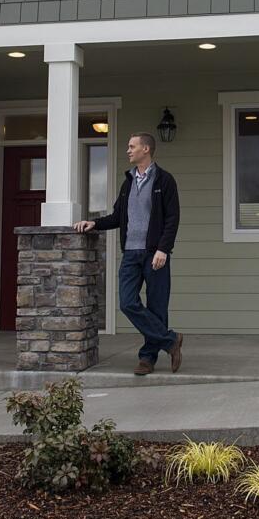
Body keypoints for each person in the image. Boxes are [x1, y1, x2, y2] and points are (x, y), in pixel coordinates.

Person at [74, 132, 183, 375]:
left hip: (155, 253)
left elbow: (173, 219)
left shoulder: (164, 180)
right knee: (127, 302)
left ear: (146, 149)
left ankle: (147, 358)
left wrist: (163, 249)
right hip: (131, 254)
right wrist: (95, 223)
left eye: (132, 146)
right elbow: (117, 217)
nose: (128, 150)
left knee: (157, 307)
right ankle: (171, 340)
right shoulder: (128, 183)